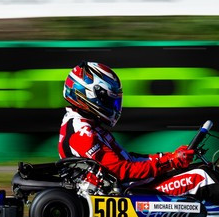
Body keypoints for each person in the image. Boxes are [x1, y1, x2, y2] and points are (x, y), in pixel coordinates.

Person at [59, 61, 194, 182]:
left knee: (199, 170)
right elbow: (121, 171)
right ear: (87, 95)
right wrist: (170, 163)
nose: (113, 106)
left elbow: (127, 159)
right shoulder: (82, 133)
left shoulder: (89, 125)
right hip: (125, 191)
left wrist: (170, 157)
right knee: (201, 177)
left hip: (130, 185)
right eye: (108, 99)